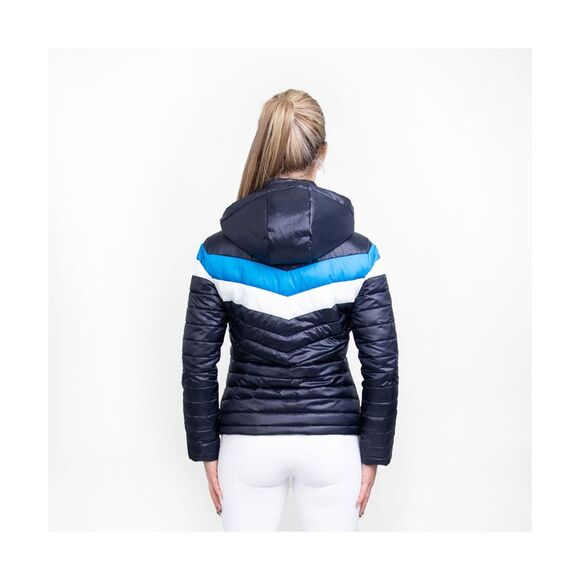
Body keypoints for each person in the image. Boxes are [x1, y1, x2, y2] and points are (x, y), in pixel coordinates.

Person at [181, 89, 399, 531]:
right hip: (332, 445)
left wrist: (206, 448)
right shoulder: (360, 255)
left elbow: (198, 364)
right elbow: (382, 365)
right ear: (322, 152)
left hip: (247, 443)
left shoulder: (215, 253)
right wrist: (373, 452)